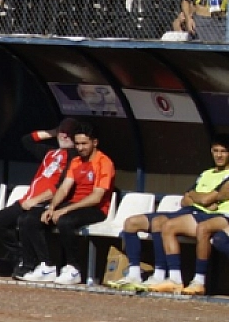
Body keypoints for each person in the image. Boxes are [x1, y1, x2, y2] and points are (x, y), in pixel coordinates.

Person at [112, 136, 229, 292]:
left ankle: (173, 277)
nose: (219, 155)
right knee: (131, 223)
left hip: (208, 215)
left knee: (166, 224)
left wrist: (195, 196)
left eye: (223, 151)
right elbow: (184, 200)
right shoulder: (205, 174)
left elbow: (205, 199)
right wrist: (197, 198)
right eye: (215, 151)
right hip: (189, 210)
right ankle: (135, 274)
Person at [19, 122, 113, 285]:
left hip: (95, 209)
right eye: (77, 144)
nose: (80, 147)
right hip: (72, 205)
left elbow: (96, 197)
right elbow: (63, 188)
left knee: (65, 221)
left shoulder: (104, 162)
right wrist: (52, 207)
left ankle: (73, 268)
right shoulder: (76, 161)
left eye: (84, 143)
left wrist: (65, 210)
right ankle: (46, 265)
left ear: (94, 143)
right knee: (30, 219)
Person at [0, 119, 78, 279]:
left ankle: (34, 263)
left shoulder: (74, 157)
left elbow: (61, 187)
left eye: (69, 133)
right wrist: (53, 131)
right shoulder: (51, 153)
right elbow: (27, 140)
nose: (65, 135)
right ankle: (21, 256)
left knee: (27, 220)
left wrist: (36, 200)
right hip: (27, 199)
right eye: (63, 131)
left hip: (44, 202)